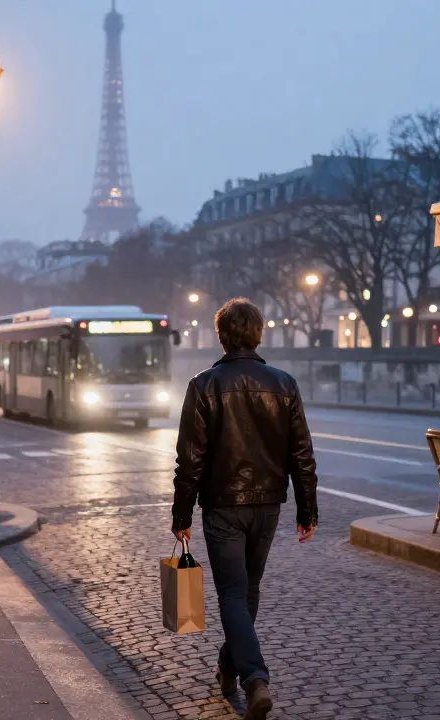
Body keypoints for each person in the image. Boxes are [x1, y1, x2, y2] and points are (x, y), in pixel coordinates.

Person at [171, 298, 318, 720]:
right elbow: (301, 455)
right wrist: (307, 509)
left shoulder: (203, 386)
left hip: (222, 506)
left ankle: (255, 679)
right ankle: (228, 666)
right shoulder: (284, 383)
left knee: (235, 595)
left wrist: (182, 516)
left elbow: (191, 459)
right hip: (268, 505)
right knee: (248, 592)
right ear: (258, 335)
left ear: (221, 336)